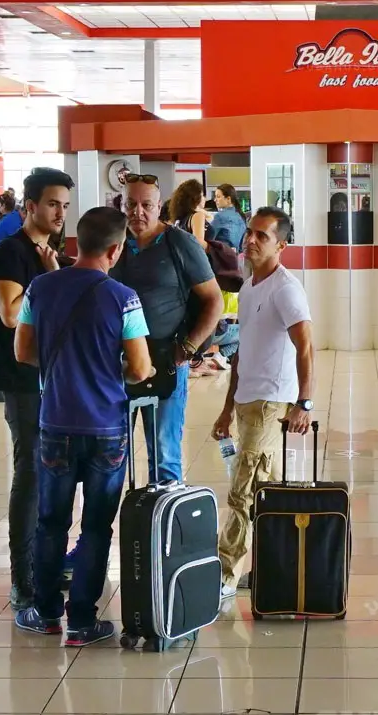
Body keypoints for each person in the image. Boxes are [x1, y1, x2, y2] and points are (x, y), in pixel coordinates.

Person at [12, 206, 153, 647]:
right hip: (107, 427)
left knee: (50, 523)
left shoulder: (40, 287)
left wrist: (63, 367)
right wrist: (111, 372)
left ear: (76, 242)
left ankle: (46, 613)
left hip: (54, 422)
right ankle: (84, 622)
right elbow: (141, 366)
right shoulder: (124, 297)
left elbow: (23, 351)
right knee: (96, 526)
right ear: (114, 249)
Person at [210, 207, 314, 599]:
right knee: (262, 494)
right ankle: (270, 569)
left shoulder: (286, 288)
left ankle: (225, 576)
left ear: (282, 245)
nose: (250, 240)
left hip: (272, 404)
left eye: (262, 236)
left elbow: (306, 346)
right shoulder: (251, 285)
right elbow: (243, 354)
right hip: (247, 402)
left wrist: (304, 402)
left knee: (244, 491)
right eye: (250, 233)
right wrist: (226, 408)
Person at [0, 167, 74, 612]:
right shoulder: (10, 253)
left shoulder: (46, 252)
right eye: (53, 204)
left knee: (54, 473)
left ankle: (46, 564)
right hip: (23, 378)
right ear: (30, 206)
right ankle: (22, 574)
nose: (60, 213)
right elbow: (10, 314)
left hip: (52, 376)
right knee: (32, 473)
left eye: (64, 205)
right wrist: (49, 277)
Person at [111, 173, 224, 483]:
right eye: (130, 204)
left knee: (163, 453)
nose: (138, 212)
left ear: (159, 206)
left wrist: (187, 348)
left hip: (164, 362)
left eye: (146, 204)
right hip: (114, 365)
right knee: (109, 453)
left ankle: (163, 527)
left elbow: (214, 301)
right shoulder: (114, 242)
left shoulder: (180, 243)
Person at [168, 179, 210, 248]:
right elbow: (199, 243)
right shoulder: (198, 216)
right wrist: (218, 248)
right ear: (195, 197)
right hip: (203, 257)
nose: (205, 198)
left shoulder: (181, 218)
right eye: (202, 195)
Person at [211, 184, 247, 252]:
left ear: (228, 199)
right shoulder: (241, 216)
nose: (215, 200)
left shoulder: (220, 216)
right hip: (236, 258)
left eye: (218, 197)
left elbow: (208, 238)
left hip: (221, 256)